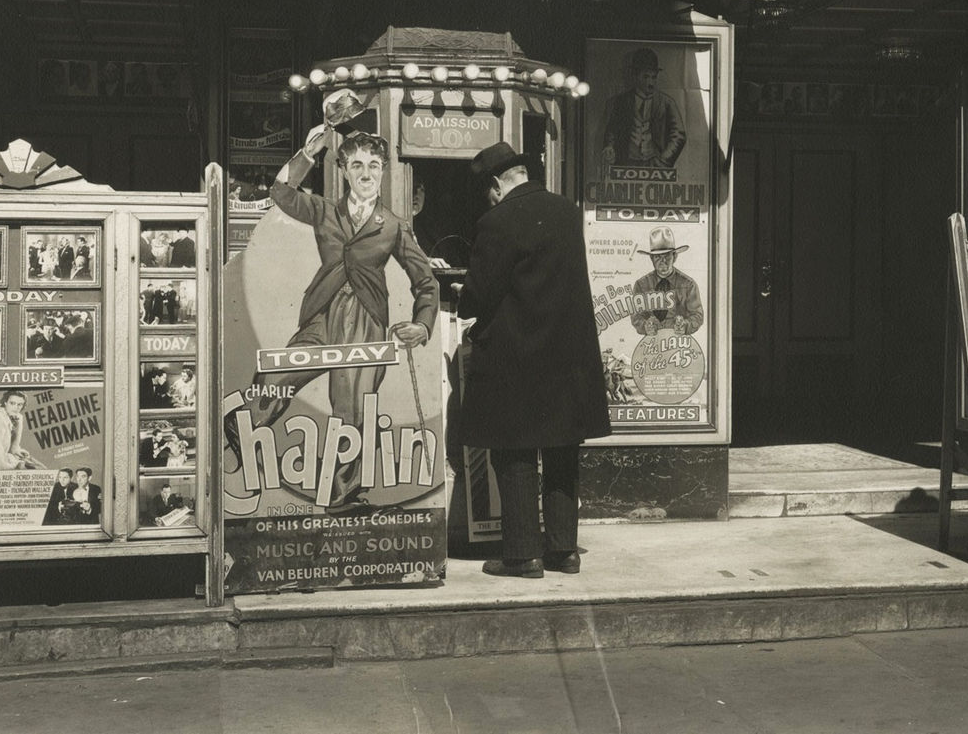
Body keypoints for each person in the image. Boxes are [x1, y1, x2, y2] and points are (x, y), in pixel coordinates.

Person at [239, 122, 438, 509]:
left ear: (382, 171)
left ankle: (342, 496)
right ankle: (243, 437)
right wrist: (307, 154)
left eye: (374, 165)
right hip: (322, 313)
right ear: (344, 170)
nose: (366, 173)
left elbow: (426, 281)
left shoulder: (394, 225)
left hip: (366, 321)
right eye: (358, 165)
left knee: (352, 411)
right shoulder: (325, 211)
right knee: (276, 375)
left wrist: (422, 324)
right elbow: (281, 194)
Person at [456, 142, 611, 578]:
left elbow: (476, 297)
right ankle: (564, 551)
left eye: (487, 190)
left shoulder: (496, 221)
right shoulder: (567, 211)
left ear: (495, 184)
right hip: (567, 356)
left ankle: (522, 556)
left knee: (514, 452)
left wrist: (462, 298)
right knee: (562, 450)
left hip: (516, 355)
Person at [600, 48, 686, 175]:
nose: (650, 82)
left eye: (653, 77)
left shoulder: (667, 103)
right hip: (625, 164)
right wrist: (609, 147)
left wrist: (663, 161)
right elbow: (612, 129)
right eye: (645, 76)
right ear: (635, 76)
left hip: (656, 166)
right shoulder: (621, 102)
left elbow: (679, 135)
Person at [628, 227, 705, 335]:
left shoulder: (689, 285)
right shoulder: (641, 285)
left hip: (681, 344)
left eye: (667, 256)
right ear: (651, 259)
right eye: (657, 257)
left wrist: (686, 325)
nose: (663, 261)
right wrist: (645, 326)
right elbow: (636, 316)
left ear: (675, 256)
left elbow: (697, 315)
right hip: (650, 345)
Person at [0, 389, 42, 471]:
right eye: (12, 403)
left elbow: (13, 448)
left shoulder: (14, 417)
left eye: (20, 404)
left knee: (40, 467)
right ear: (5, 403)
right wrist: (18, 463)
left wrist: (17, 451)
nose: (16, 408)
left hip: (3, 460)